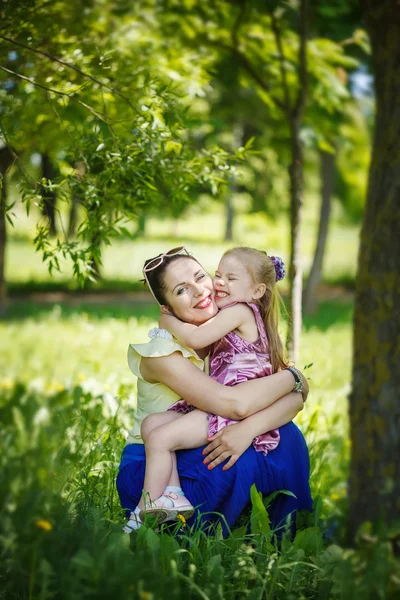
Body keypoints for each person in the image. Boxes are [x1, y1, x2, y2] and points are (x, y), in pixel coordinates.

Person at [117, 246, 312, 535]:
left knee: (284, 435)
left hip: (190, 442)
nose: (200, 291)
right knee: (241, 452)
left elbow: (295, 399)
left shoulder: (227, 332)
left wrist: (251, 426)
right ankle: (160, 513)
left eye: (201, 277)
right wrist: (293, 377)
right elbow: (236, 405)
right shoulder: (163, 354)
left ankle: (276, 533)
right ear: (167, 308)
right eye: (182, 290)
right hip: (153, 466)